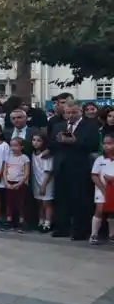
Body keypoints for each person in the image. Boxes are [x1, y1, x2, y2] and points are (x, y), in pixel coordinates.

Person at [51, 101, 100, 240]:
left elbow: (93, 145)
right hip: (61, 167)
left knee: (80, 200)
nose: (71, 115)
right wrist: (57, 140)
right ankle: (62, 228)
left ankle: (80, 231)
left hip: (80, 168)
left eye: (74, 113)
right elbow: (52, 144)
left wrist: (75, 141)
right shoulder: (58, 126)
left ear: (80, 112)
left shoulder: (90, 126)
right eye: (68, 113)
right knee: (61, 199)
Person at [89, 134, 114, 244]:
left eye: (110, 143)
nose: (107, 146)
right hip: (101, 188)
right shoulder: (99, 159)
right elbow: (94, 175)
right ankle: (94, 234)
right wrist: (103, 187)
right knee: (99, 210)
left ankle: (112, 235)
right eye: (105, 144)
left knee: (112, 212)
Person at [3, 136, 30, 233]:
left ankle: (21, 222)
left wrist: (20, 183)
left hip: (20, 184)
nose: (13, 148)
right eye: (11, 146)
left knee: (21, 203)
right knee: (9, 203)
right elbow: (5, 171)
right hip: (9, 182)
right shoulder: (8, 157)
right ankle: (9, 221)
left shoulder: (24, 158)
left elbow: (26, 173)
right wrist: (6, 182)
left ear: (21, 147)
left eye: (15, 145)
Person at [31, 133, 54, 232]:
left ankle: (48, 223)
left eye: (38, 140)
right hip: (36, 180)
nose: (35, 143)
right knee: (39, 202)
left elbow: (49, 172)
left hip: (46, 181)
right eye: (34, 140)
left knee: (47, 203)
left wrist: (44, 185)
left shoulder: (46, 155)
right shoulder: (33, 153)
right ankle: (41, 221)